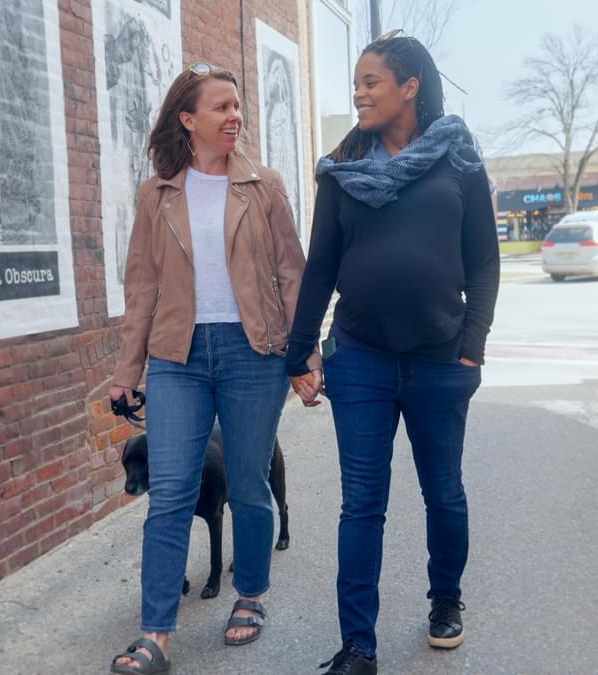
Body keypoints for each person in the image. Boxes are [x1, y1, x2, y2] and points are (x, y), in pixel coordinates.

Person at [285, 33, 500, 675]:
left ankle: (446, 600)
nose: (358, 92)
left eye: (371, 81)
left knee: (444, 493)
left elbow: (484, 261)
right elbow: (320, 267)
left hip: (440, 360)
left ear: (409, 87)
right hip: (361, 359)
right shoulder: (343, 169)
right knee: (362, 504)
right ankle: (359, 646)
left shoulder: (458, 158)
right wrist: (301, 354)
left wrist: (472, 348)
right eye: (356, 82)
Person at [108, 62, 317, 675]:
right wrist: (127, 370)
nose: (235, 116)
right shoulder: (157, 194)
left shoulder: (263, 186)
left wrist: (305, 354)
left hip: (253, 351)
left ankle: (249, 592)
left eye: (237, 106)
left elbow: (291, 273)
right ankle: (155, 636)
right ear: (188, 118)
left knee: (249, 484)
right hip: (177, 358)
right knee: (170, 492)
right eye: (221, 107)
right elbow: (141, 287)